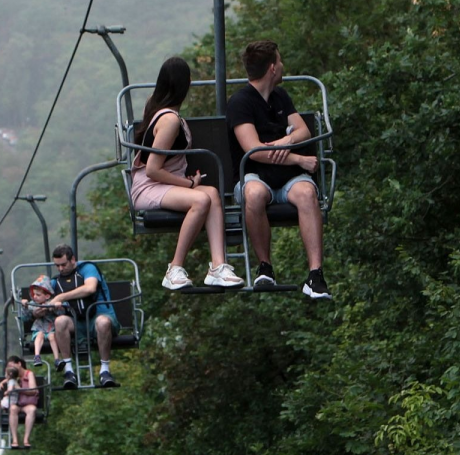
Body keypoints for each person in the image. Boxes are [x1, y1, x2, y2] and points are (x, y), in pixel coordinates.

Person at [130, 56, 244, 291]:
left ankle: (218, 266)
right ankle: (174, 268)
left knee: (211, 193)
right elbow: (152, 169)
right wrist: (187, 184)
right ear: (187, 83)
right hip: (148, 187)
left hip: (162, 184)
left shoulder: (162, 110)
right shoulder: (169, 120)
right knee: (201, 199)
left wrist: (189, 183)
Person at [227, 40, 330, 300]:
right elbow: (255, 152)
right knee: (254, 194)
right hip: (253, 174)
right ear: (272, 68)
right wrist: (298, 160)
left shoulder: (281, 97)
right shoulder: (240, 103)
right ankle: (265, 267)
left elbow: (303, 130)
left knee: (307, 194)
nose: (283, 66)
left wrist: (286, 141)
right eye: (280, 61)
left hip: (286, 179)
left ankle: (316, 275)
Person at [45, 246, 121, 389]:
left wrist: (61, 296)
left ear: (72, 259)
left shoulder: (88, 269)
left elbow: (90, 288)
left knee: (103, 322)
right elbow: (43, 300)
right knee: (60, 321)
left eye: (63, 264)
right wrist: (34, 307)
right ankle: (68, 371)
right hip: (76, 322)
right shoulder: (57, 281)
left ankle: (105, 370)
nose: (60, 269)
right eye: (57, 266)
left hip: (98, 316)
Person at [20, 276, 64, 367]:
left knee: (52, 336)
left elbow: (61, 314)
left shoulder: (51, 303)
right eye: (34, 294)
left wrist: (57, 307)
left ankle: (57, 359)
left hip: (51, 328)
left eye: (38, 295)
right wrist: (25, 306)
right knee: (40, 335)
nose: (35, 297)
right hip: (39, 328)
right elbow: (25, 318)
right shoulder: (32, 304)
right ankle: (37, 356)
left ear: (47, 296)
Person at [8, 358, 39, 449]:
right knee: (13, 409)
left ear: (19, 364)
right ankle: (15, 439)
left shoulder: (29, 374)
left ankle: (26, 439)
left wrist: (19, 389)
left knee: (32, 410)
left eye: (12, 366)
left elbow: (33, 390)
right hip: (17, 403)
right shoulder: (13, 376)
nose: (11, 368)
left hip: (27, 403)